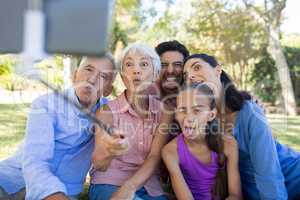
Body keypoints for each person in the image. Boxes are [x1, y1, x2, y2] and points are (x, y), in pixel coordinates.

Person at [0, 55, 128, 200]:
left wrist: (112, 148)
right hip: (13, 179)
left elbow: (102, 163)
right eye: (88, 69)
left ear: (108, 90)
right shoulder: (45, 105)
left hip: (66, 190)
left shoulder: (107, 113)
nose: (92, 80)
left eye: (103, 76)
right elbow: (35, 161)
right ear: (74, 76)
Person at [183, 53, 300, 199]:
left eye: (197, 67)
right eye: (186, 75)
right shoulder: (200, 122)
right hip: (253, 190)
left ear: (217, 70)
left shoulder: (249, 111)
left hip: (290, 175)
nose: (191, 76)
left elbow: (268, 171)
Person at [89, 43, 173, 200]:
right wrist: (109, 150)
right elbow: (99, 163)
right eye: (129, 64)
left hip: (149, 187)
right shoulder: (107, 112)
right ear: (122, 75)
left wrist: (130, 186)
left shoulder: (164, 112)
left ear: (155, 74)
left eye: (144, 64)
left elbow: (154, 156)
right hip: (109, 183)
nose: (136, 70)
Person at [162, 83, 242, 200]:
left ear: (211, 115)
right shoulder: (170, 151)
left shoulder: (228, 144)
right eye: (182, 110)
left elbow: (235, 195)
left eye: (197, 110)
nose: (188, 118)